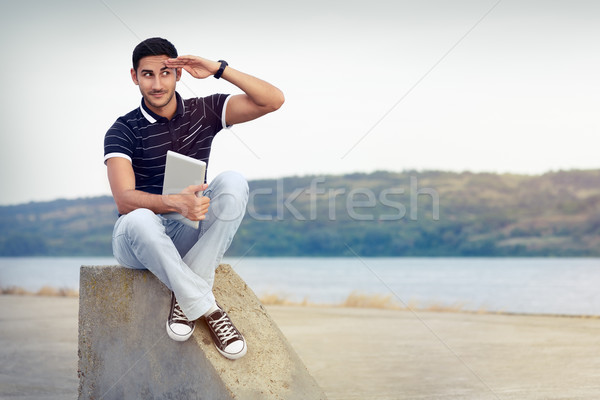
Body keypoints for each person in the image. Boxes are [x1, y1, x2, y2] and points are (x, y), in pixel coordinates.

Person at [103, 37, 284, 360]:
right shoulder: (123, 129)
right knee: (140, 218)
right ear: (135, 76)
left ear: (178, 75)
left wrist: (218, 69)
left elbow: (272, 100)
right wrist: (175, 202)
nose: (157, 84)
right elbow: (124, 202)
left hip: (185, 230)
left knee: (233, 181)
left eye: (165, 73)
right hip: (136, 240)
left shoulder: (205, 111)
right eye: (147, 75)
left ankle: (185, 298)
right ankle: (210, 311)